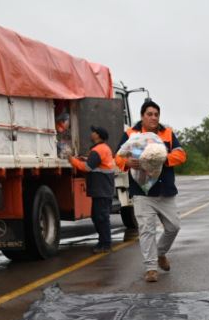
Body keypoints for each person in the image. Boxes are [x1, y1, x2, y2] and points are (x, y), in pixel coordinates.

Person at [116, 100, 187, 282]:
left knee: (173, 227)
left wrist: (162, 158)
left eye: (156, 114)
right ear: (142, 116)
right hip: (141, 191)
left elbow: (181, 155)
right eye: (150, 114)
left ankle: (160, 252)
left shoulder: (167, 133)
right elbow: (117, 156)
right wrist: (127, 163)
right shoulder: (131, 134)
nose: (153, 117)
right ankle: (151, 268)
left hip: (165, 190)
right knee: (146, 230)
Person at [68, 126, 116, 253]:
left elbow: (88, 167)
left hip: (101, 189)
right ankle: (104, 242)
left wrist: (72, 160)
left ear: (98, 135)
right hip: (104, 189)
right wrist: (85, 159)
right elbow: (96, 163)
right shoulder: (103, 148)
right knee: (98, 216)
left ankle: (105, 244)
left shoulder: (98, 150)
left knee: (101, 217)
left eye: (94, 132)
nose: (92, 134)